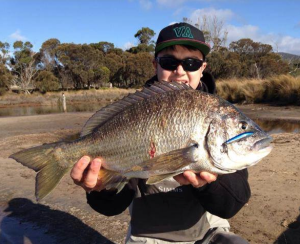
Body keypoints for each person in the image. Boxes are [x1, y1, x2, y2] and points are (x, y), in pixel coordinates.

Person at [70, 22, 250, 244]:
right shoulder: (136, 111)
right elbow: (112, 207)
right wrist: (100, 189)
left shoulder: (221, 116)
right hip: (147, 236)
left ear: (203, 68)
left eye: (191, 63)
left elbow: (231, 205)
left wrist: (207, 185)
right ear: (155, 64)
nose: (180, 71)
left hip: (207, 232)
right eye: (168, 62)